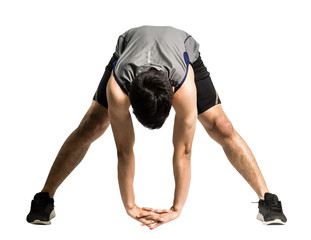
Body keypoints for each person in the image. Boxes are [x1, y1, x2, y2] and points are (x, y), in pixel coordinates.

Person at [26, 25, 287, 228]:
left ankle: (268, 200)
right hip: (130, 46)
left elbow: (184, 151)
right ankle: (44, 199)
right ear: (129, 98)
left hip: (180, 48)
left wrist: (177, 208)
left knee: (221, 127)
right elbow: (123, 151)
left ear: (173, 94)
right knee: (91, 126)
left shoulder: (184, 87)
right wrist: (130, 206)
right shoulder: (118, 89)